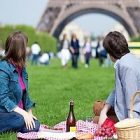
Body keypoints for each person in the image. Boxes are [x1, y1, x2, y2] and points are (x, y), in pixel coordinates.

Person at [0, 31, 40, 133]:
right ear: (19, 49)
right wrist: (24, 114)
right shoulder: (3, 68)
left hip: (17, 113)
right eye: (26, 46)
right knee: (20, 120)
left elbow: (25, 95)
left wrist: (29, 112)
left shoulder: (22, 68)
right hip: (4, 112)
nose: (28, 49)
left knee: (35, 123)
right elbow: (3, 99)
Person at [98, 31, 140, 126]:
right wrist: (104, 111)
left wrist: (130, 127)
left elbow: (131, 100)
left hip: (133, 118)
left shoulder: (125, 66)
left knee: (97, 121)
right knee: (99, 114)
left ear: (111, 52)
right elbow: (117, 89)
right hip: (129, 112)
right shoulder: (131, 59)